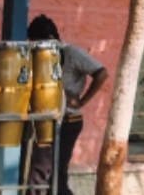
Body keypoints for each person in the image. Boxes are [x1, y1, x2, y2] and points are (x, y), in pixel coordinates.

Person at [26, 15, 109, 195]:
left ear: (51, 39)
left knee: (57, 172)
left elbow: (102, 73)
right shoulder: (37, 56)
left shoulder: (72, 53)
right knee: (39, 170)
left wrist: (82, 101)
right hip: (44, 119)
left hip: (68, 120)